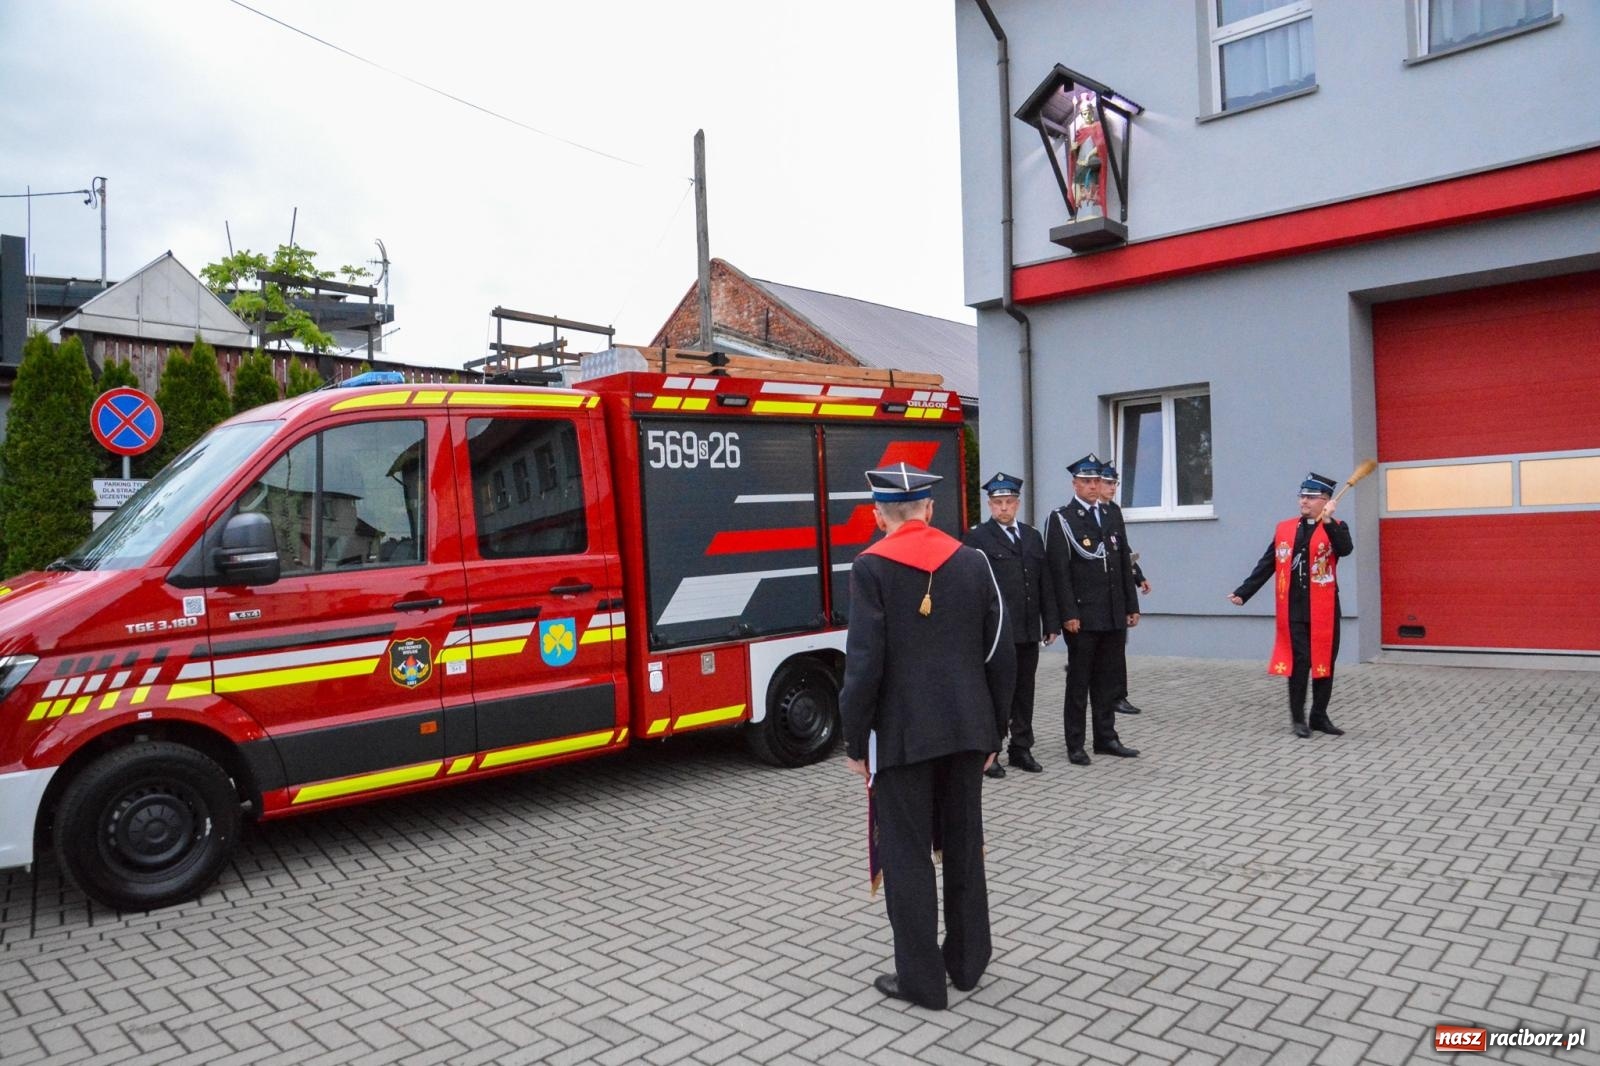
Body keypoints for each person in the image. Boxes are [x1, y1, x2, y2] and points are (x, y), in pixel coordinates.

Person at [840, 461, 1015, 1010]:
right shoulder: (974, 561)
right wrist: (996, 732)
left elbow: (863, 665)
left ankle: (921, 981)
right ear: (931, 509)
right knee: (965, 847)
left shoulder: (869, 567)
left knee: (908, 855)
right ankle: (967, 963)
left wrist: (854, 741)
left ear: (878, 515)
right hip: (968, 731)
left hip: (902, 737)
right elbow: (1000, 652)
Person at [1228, 472, 1354, 738]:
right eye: (1301, 496)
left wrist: (1328, 521)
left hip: (1325, 608)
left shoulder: (1336, 526)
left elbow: (1345, 549)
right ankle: (1298, 719)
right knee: (1300, 662)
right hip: (1294, 609)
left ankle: (1319, 716)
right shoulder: (1285, 529)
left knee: (1325, 662)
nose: (1303, 501)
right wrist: (1244, 592)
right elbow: (1268, 563)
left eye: (1310, 497)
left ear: (1326, 500)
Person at [1043, 454, 1141, 765]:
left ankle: (1106, 738)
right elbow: (1059, 572)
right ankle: (1075, 743)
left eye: (1096, 480)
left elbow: (1122, 562)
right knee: (1079, 683)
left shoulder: (1111, 513)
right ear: (1075, 484)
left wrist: (1131, 604)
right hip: (1083, 616)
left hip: (1112, 612)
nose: (1093, 486)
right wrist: (1067, 614)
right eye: (1086, 481)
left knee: (1107, 682)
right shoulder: (1062, 518)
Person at [965, 471, 1057, 778]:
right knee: (996, 693)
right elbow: (972, 588)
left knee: (1024, 691)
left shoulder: (1032, 536)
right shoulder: (977, 538)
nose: (1003, 508)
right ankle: (990, 751)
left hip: (1028, 629)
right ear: (989, 505)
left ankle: (1021, 747)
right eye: (998, 502)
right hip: (997, 633)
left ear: (1017, 503)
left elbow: (1044, 582)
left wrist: (1050, 622)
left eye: (1009, 502)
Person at [1094, 463, 1148, 716]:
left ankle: (1118, 695)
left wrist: (1138, 576)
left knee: (1117, 646)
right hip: (1097, 591)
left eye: (1114, 483)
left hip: (1117, 589)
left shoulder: (1113, 510)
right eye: (1108, 483)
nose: (1112, 488)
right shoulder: (1089, 513)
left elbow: (1122, 548)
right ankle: (1101, 689)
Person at [1069, 94, 1107, 220]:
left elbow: (1100, 145)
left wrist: (1089, 156)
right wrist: (1073, 149)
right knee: (1075, 185)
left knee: (1091, 184)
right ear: (1081, 115)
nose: (1087, 116)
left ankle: (1091, 208)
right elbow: (1076, 151)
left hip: (1091, 162)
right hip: (1081, 162)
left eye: (1089, 113)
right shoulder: (1080, 130)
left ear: (1092, 112)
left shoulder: (1098, 126)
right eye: (1084, 114)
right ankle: (1079, 209)